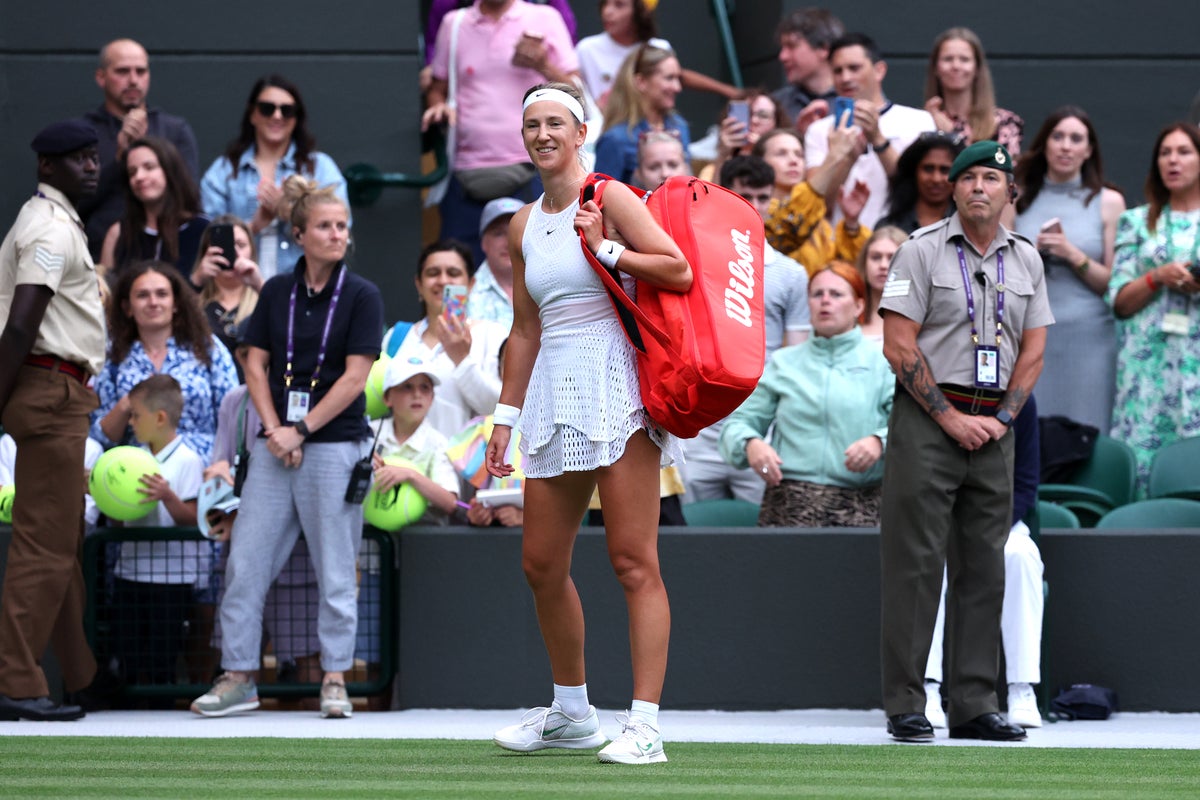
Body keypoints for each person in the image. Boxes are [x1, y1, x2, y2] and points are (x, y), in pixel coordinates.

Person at [486, 82, 688, 764]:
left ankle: (647, 727)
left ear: (580, 133)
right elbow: (524, 328)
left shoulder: (612, 198)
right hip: (551, 392)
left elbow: (678, 270)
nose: (542, 134)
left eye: (555, 123)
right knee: (541, 564)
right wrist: (504, 419)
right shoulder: (521, 224)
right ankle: (572, 712)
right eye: (532, 124)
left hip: (617, 386)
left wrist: (607, 250)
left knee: (633, 562)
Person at [878, 140, 1053, 743]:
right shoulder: (919, 250)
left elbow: (1033, 349)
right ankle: (906, 702)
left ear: (1012, 192)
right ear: (951, 189)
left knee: (987, 566)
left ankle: (975, 702)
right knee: (916, 564)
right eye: (968, 177)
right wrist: (951, 418)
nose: (980, 186)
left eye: (992, 178)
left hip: (995, 423)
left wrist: (1004, 419)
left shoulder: (1027, 260)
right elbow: (899, 345)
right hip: (931, 419)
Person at [190, 175, 384, 719]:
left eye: (343, 226)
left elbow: (354, 379)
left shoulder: (363, 294)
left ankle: (335, 679)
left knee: (337, 567)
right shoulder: (277, 290)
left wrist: (300, 431)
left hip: (335, 445)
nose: (337, 235)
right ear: (299, 234)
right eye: (325, 226)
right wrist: (276, 429)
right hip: (276, 445)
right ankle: (238, 677)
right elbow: (254, 363)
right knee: (245, 564)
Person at [0, 120, 104, 722]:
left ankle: (84, 675)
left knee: (61, 536)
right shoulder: (47, 226)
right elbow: (20, 324)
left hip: (57, 389)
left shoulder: (54, 220)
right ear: (47, 166)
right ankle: (15, 679)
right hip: (50, 387)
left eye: (93, 157)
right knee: (45, 542)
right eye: (76, 159)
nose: (91, 166)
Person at [719, 263, 892, 526]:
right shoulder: (783, 363)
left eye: (836, 294)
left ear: (858, 306)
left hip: (861, 505)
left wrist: (879, 441)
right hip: (788, 504)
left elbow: (908, 428)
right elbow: (736, 425)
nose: (825, 301)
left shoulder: (882, 364)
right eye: (817, 294)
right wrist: (750, 444)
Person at [683, 155, 811, 505]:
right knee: (689, 542)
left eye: (763, 197)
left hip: (761, 430)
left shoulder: (791, 273)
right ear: (724, 195)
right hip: (697, 430)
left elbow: (795, 359)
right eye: (745, 196)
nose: (755, 206)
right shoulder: (690, 264)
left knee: (760, 543)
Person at [422, 0, 579, 258]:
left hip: (533, 172)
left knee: (540, 266)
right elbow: (437, 89)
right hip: (464, 174)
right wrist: (438, 107)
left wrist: (543, 65)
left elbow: (577, 92)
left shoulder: (545, 17)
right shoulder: (454, 23)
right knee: (454, 275)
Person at [924, 395, 1045, 730]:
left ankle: (1022, 688)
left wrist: (988, 526)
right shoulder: (930, 395)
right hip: (940, 522)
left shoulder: (1022, 401)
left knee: (1021, 556)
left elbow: (1025, 482)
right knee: (930, 566)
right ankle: (927, 688)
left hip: (999, 520)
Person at [1014, 107, 1126, 433]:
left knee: (1088, 431)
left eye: (1076, 139)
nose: (1066, 146)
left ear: (1088, 150)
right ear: (1044, 144)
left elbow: (1113, 285)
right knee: (1030, 436)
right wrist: (1032, 255)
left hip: (1089, 338)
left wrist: (1070, 253)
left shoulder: (1108, 201)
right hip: (1030, 336)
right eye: (1058, 137)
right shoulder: (1015, 197)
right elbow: (998, 274)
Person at [1108, 122, 1200, 495]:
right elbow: (1118, 303)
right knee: (1145, 460)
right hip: (1147, 370)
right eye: (1165, 153)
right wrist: (1157, 276)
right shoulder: (1135, 222)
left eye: (1183, 152)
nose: (1173, 161)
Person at [201, 74, 349, 280]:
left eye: (287, 111)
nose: (277, 116)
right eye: (267, 108)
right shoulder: (224, 170)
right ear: (252, 114)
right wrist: (253, 225)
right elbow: (207, 239)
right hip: (238, 289)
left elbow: (342, 228)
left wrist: (291, 213)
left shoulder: (319, 167)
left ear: (297, 119)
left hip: (305, 286)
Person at [111, 374, 205, 700]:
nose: (131, 422)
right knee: (130, 654)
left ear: (160, 417)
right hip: (130, 574)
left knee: (163, 657)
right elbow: (118, 520)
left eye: (136, 415)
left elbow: (193, 519)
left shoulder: (188, 461)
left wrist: (167, 496)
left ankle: (160, 718)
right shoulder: (128, 460)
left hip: (171, 580)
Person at [91, 261, 238, 463]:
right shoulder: (113, 356)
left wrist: (223, 465)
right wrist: (128, 403)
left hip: (201, 469)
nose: (153, 302)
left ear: (175, 303)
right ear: (127, 307)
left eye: (162, 294)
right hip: (135, 472)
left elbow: (233, 418)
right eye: (143, 295)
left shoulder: (208, 349)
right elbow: (100, 437)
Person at [78, 39, 200, 262]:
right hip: (102, 259)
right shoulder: (85, 133)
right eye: (122, 71)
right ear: (101, 77)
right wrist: (120, 158)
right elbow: (75, 204)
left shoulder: (173, 129)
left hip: (167, 257)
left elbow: (191, 198)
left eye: (141, 71)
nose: (133, 80)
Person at [805, 33, 936, 228]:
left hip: (899, 242)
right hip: (839, 248)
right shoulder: (819, 130)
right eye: (838, 71)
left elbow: (922, 192)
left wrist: (878, 140)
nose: (846, 78)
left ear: (879, 70)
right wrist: (845, 158)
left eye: (854, 68)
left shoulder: (918, 121)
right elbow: (815, 203)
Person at [381, 240, 507, 439]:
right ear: (419, 284)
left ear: (471, 284)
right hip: (402, 464)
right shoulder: (396, 337)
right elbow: (382, 405)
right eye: (433, 273)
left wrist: (462, 360)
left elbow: (502, 411)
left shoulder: (493, 335)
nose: (443, 280)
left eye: (453, 273)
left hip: (466, 466)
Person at [574, 0, 739, 111]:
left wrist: (730, 92)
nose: (607, 12)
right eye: (605, 3)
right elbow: (574, 88)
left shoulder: (658, 47)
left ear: (640, 11)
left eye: (619, 4)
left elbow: (681, 76)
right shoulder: (586, 49)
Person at [756, 125, 870, 275]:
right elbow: (789, 228)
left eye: (799, 154)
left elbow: (849, 273)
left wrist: (851, 225)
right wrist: (834, 155)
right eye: (781, 154)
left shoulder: (819, 219)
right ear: (760, 163)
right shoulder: (757, 213)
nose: (793, 161)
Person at [99, 136, 209, 282]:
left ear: (169, 170)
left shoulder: (202, 229)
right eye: (132, 172)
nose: (139, 176)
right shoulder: (118, 234)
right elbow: (104, 295)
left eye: (149, 167)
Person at [594, 43, 690, 184]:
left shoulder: (679, 126)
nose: (677, 87)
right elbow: (600, 197)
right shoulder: (616, 139)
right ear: (641, 82)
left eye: (678, 79)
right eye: (669, 78)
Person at [923, 28, 1023, 155]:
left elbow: (1002, 171)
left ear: (977, 68)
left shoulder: (1005, 123)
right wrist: (925, 122)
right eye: (948, 59)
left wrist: (951, 135)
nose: (956, 66)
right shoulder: (923, 121)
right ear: (936, 68)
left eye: (964, 59)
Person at [192, 215, 266, 375]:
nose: (234, 252)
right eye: (224, 246)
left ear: (252, 250)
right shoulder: (194, 298)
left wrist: (258, 283)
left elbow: (292, 325)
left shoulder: (265, 293)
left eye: (240, 245)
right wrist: (197, 281)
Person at [771, 7, 844, 133]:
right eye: (782, 48)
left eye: (791, 46)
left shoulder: (857, 100)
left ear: (823, 49)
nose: (782, 56)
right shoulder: (777, 103)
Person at [880, 131, 966, 233]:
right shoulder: (889, 227)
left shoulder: (970, 227)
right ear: (913, 172)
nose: (936, 179)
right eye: (928, 169)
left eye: (944, 170)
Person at [698, 90, 792, 183]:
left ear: (777, 124)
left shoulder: (789, 164)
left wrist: (764, 150)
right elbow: (712, 196)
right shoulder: (712, 170)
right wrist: (724, 154)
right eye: (747, 114)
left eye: (763, 115)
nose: (754, 120)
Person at [467, 197, 524, 330]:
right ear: (483, 242)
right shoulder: (460, 289)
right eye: (499, 234)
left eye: (516, 232)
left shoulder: (551, 284)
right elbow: (445, 343)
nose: (508, 242)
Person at [856, 225, 908, 342]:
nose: (883, 265)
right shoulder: (849, 316)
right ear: (864, 263)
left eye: (892, 258)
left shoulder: (921, 319)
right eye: (875, 257)